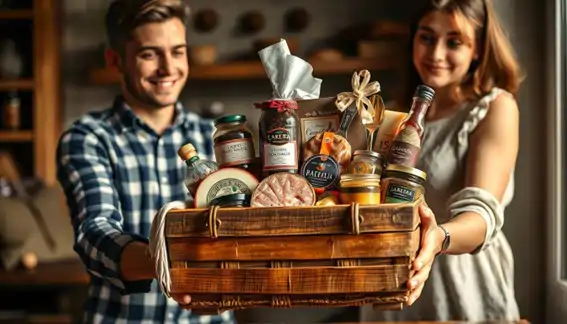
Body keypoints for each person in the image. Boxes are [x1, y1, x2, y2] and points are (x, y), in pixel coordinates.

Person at [56, 0, 234, 323]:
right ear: (115, 61)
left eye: (178, 52)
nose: (168, 68)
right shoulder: (88, 138)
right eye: (149, 54)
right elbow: (95, 233)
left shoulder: (215, 137)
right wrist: (170, 261)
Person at [362, 0, 522, 321]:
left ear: (477, 49)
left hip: (461, 287)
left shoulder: (494, 108)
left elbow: (482, 212)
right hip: (392, 285)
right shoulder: (392, 115)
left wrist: (438, 238)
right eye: (427, 37)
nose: (435, 54)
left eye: (454, 42)